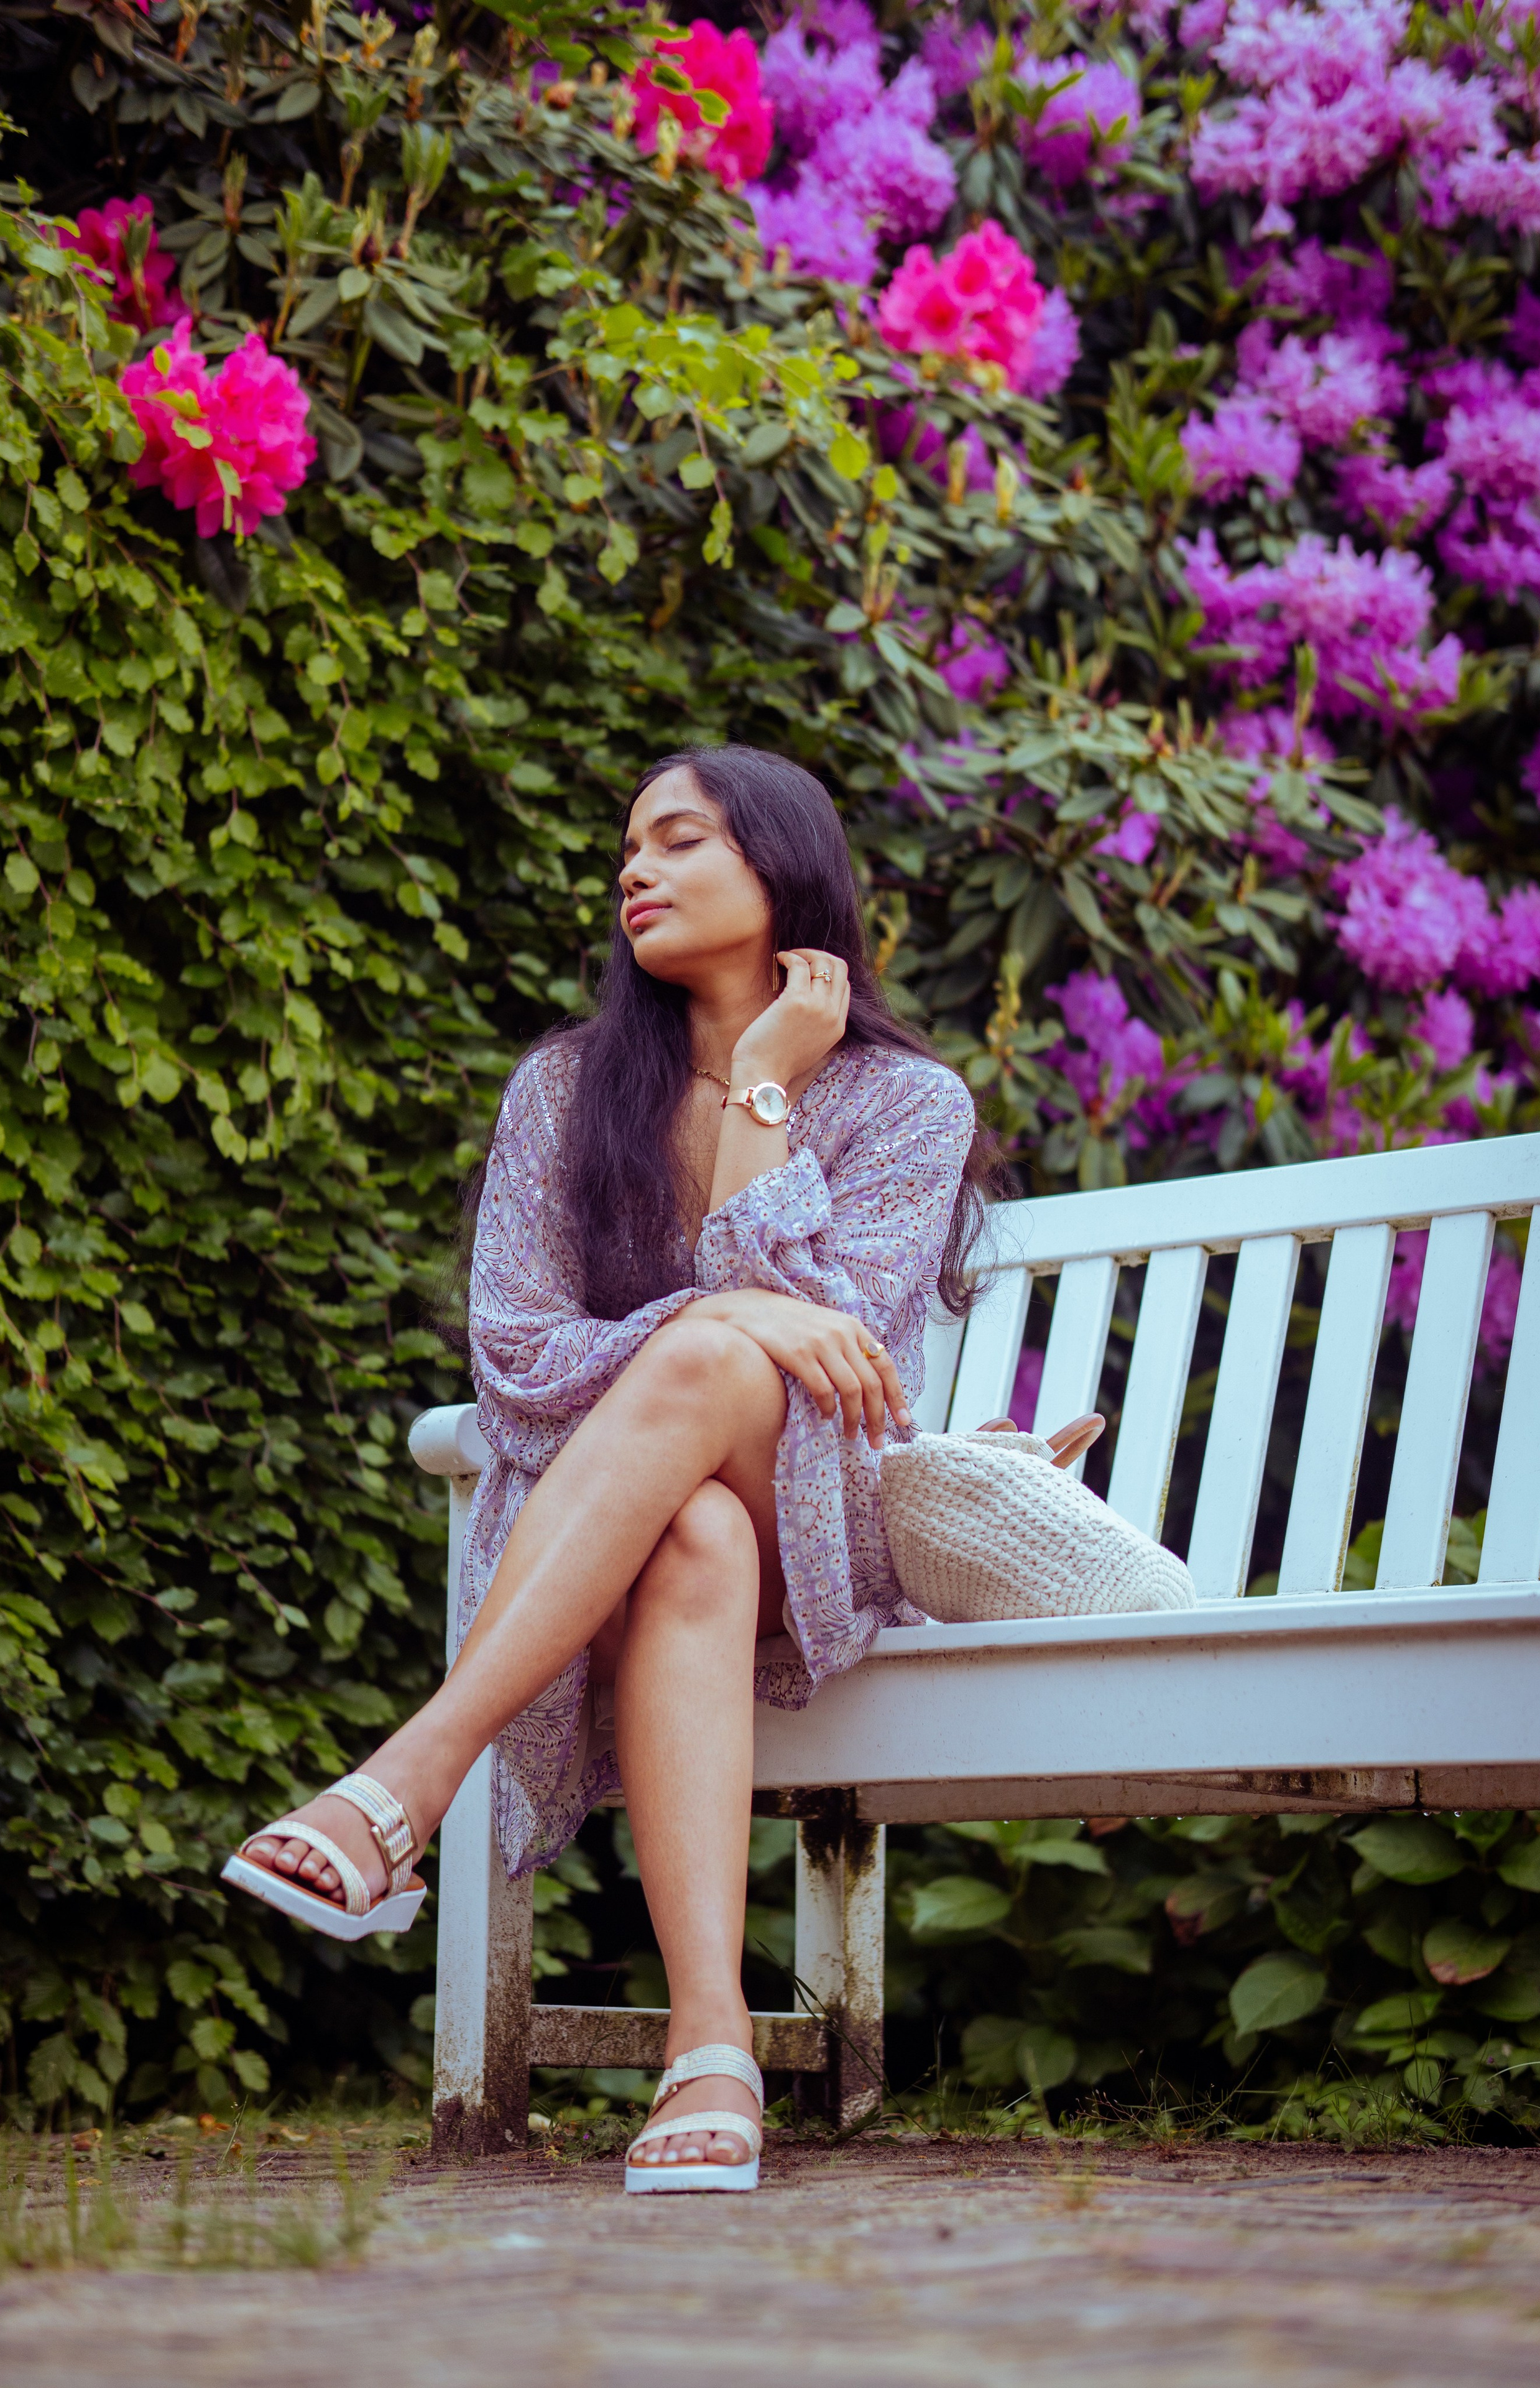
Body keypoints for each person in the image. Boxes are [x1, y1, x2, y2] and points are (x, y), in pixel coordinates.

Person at [223, 744, 1099, 2192]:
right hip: (627, 1534)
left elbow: (840, 1366)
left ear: (778, 869)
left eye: (680, 842)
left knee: (709, 1366)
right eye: (628, 847)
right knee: (690, 1517)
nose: (636, 870)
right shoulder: (564, 1091)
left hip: (816, 1522)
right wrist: (727, 1311)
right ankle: (711, 2046)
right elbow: (512, 1347)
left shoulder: (901, 1103)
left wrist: (763, 1097)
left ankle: (403, 1783)